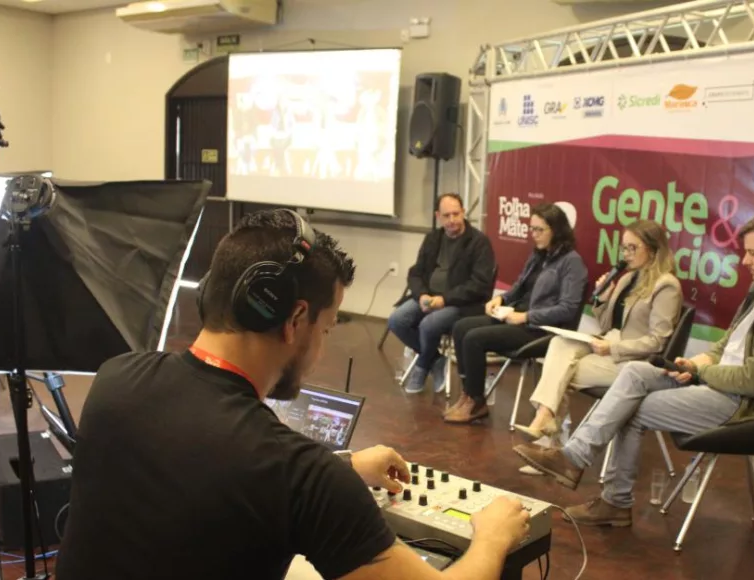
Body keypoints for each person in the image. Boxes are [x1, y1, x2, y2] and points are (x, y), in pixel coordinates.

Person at [56, 209, 532, 580]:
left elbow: (208, 467)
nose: (321, 348)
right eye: (326, 329)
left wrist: (345, 467)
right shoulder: (298, 473)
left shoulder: (116, 380)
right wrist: (491, 537)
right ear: (295, 320)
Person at [512, 211, 754, 527]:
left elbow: (753, 381)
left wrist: (701, 373)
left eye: (753, 253)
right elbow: (724, 348)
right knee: (633, 374)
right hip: (718, 385)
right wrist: (693, 364)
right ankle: (577, 462)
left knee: (630, 407)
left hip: (739, 405)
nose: (744, 261)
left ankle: (609, 496)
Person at [514, 219, 683, 439]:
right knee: (559, 344)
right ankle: (545, 420)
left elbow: (657, 341)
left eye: (632, 248)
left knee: (559, 370)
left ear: (652, 250)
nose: (626, 254)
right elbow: (606, 326)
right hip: (610, 347)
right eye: (624, 247)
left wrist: (613, 348)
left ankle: (546, 437)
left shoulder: (666, 285)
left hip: (635, 362)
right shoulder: (628, 278)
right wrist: (603, 300)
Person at [445, 203, 588, 425]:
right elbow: (519, 287)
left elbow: (567, 309)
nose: (534, 235)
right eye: (532, 229)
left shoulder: (572, 263)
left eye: (540, 230)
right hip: (517, 317)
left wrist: (526, 317)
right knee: (461, 327)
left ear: (557, 230)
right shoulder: (539, 256)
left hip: (541, 330)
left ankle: (476, 401)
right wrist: (501, 299)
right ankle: (468, 392)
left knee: (474, 338)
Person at [388, 193, 495, 394]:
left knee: (429, 325)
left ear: (463, 212)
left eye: (456, 214)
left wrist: (444, 299)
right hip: (429, 297)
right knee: (397, 320)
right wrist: (421, 295)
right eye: (447, 215)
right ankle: (436, 360)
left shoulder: (479, 242)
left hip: (461, 305)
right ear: (438, 216)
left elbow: (479, 285)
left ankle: (421, 367)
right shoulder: (433, 239)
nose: (452, 220)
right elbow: (416, 272)